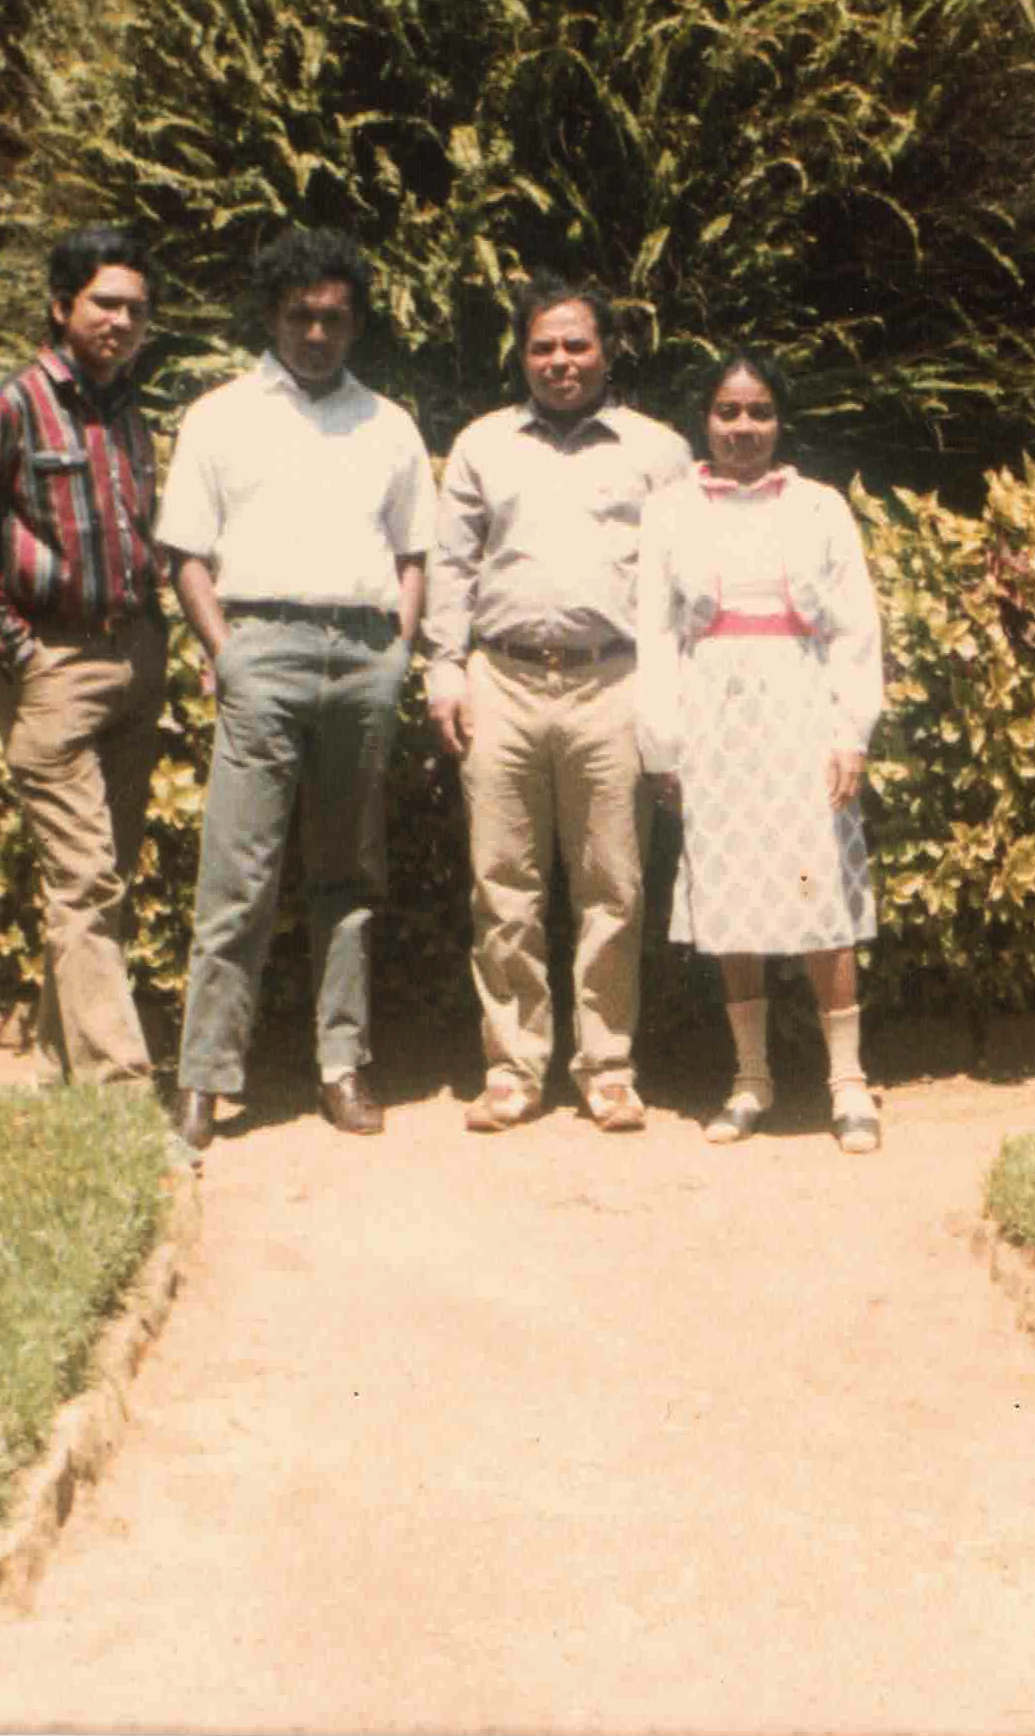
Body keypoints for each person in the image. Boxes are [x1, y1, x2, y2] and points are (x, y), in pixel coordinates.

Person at [156, 227, 438, 1145]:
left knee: (348, 874)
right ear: (272, 317)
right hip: (262, 653)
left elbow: (414, 552)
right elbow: (186, 552)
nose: (316, 334)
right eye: (299, 316)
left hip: (362, 658)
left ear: (355, 325)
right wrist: (228, 652)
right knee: (238, 875)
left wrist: (396, 651)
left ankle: (341, 1065)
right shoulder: (221, 417)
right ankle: (204, 1078)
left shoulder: (388, 424)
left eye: (334, 319)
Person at [424, 280, 694, 1134]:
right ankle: (512, 1068)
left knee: (614, 884)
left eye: (577, 345)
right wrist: (442, 667)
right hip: (500, 681)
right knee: (502, 882)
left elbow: (683, 581)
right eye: (543, 346)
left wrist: (672, 699)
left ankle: (607, 1068)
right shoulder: (482, 445)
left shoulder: (658, 452)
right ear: (521, 354)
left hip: (613, 682)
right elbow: (450, 566)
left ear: (608, 351)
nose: (560, 362)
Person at [0, 224, 167, 1092]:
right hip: (54, 667)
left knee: (104, 882)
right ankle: (119, 1090)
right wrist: (24, 655)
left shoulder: (130, 411)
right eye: (105, 303)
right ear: (61, 305)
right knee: (86, 879)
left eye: (136, 308)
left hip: (134, 659)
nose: (122, 322)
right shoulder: (6, 406)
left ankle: (57, 1071)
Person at [636, 348, 886, 1154]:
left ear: (780, 421)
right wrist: (663, 746)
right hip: (712, 724)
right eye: (727, 411)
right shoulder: (670, 511)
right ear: (704, 419)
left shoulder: (817, 508)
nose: (742, 427)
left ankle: (847, 1083)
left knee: (815, 890)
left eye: (759, 412)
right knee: (730, 894)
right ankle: (751, 1079)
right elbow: (655, 634)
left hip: (799, 718)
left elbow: (854, 628)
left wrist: (849, 732)